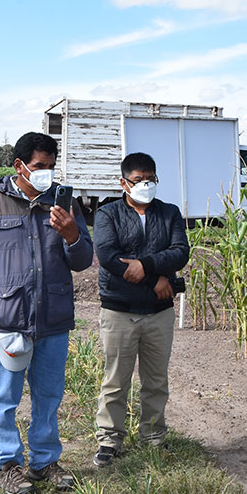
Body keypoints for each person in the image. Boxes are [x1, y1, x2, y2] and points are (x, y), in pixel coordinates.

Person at [0, 131, 93, 494]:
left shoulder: (64, 205)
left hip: (53, 319)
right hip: (8, 322)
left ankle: (44, 460)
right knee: (5, 396)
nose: (47, 174)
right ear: (19, 166)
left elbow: (82, 261)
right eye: (38, 167)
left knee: (49, 395)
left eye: (51, 167)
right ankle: (6, 464)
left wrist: (72, 234)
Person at [91, 152, 189, 467]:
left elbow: (179, 252)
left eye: (151, 180)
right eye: (138, 180)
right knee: (116, 380)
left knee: (156, 380)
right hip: (119, 310)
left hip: (159, 313)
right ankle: (109, 440)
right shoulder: (108, 214)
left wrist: (147, 265)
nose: (146, 185)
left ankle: (153, 437)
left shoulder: (170, 213)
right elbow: (109, 256)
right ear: (124, 183)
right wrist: (155, 280)